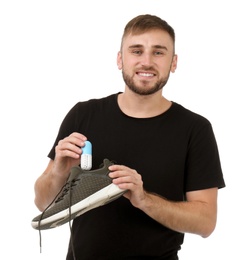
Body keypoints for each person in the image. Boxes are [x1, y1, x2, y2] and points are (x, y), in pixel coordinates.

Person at [33, 14, 225, 259]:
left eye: (158, 52)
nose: (146, 62)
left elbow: (206, 222)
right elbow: (43, 204)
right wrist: (59, 170)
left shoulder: (195, 128)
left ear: (173, 63)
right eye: (136, 51)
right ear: (120, 59)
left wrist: (144, 199)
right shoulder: (83, 115)